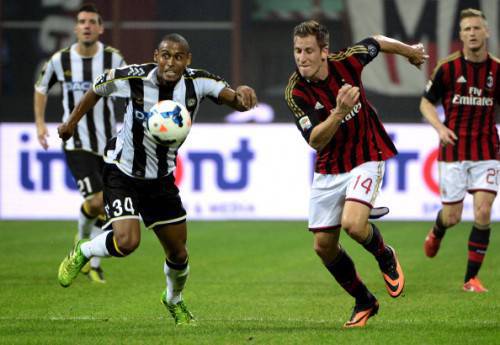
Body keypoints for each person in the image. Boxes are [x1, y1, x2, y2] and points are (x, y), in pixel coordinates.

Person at [56, 33, 257, 326]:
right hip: (122, 170)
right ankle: (84, 250)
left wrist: (244, 93)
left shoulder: (198, 82)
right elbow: (97, 89)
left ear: (187, 60)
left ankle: (173, 300)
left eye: (178, 57)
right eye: (165, 55)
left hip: (161, 179)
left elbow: (235, 100)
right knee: (126, 242)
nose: (170, 62)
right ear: (156, 56)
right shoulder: (133, 78)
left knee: (178, 253)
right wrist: (71, 123)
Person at [285, 20, 428, 328]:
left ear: (324, 52)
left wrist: (410, 52)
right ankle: (364, 300)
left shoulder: (347, 61)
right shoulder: (295, 91)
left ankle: (384, 254)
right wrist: (338, 111)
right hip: (329, 167)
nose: (302, 57)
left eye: (309, 50)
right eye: (297, 51)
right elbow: (315, 141)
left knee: (353, 223)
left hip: (367, 153)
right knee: (323, 246)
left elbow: (376, 40)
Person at [34, 3, 126, 283]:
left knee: (106, 208)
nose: (86, 25)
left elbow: (132, 87)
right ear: (76, 28)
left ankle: (92, 262)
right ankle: (83, 241)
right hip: (76, 142)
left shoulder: (114, 59)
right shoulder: (60, 60)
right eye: (82, 21)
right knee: (97, 201)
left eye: (91, 21)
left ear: (100, 28)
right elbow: (41, 89)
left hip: (108, 144)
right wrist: (40, 123)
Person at [421, 8, 499, 293]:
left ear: (486, 32)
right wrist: (440, 128)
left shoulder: (497, 70)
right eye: (467, 29)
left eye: (477, 28)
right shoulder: (448, 67)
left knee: (483, 211)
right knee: (452, 216)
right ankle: (438, 230)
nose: (472, 33)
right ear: (461, 35)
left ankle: (471, 279)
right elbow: (426, 103)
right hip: (454, 150)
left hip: (487, 150)